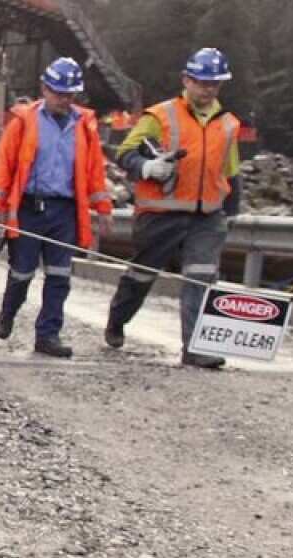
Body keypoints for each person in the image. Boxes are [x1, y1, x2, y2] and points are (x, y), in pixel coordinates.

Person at [104, 48, 242, 369]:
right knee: (141, 275)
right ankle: (117, 319)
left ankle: (194, 348)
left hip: (206, 217)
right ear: (186, 81)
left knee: (201, 277)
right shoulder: (160, 116)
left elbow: (231, 171)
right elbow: (124, 153)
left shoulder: (229, 125)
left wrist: (232, 210)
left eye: (215, 84)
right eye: (203, 83)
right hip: (161, 215)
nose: (209, 90)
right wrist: (148, 167)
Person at [0, 58, 114, 358]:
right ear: (45, 88)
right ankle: (9, 312)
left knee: (59, 275)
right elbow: (3, 165)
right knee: (22, 271)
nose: (64, 100)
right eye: (58, 93)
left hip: (64, 211)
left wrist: (104, 208)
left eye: (69, 95)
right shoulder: (23, 121)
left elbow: (94, 171)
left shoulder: (84, 126)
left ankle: (48, 335)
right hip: (29, 207)